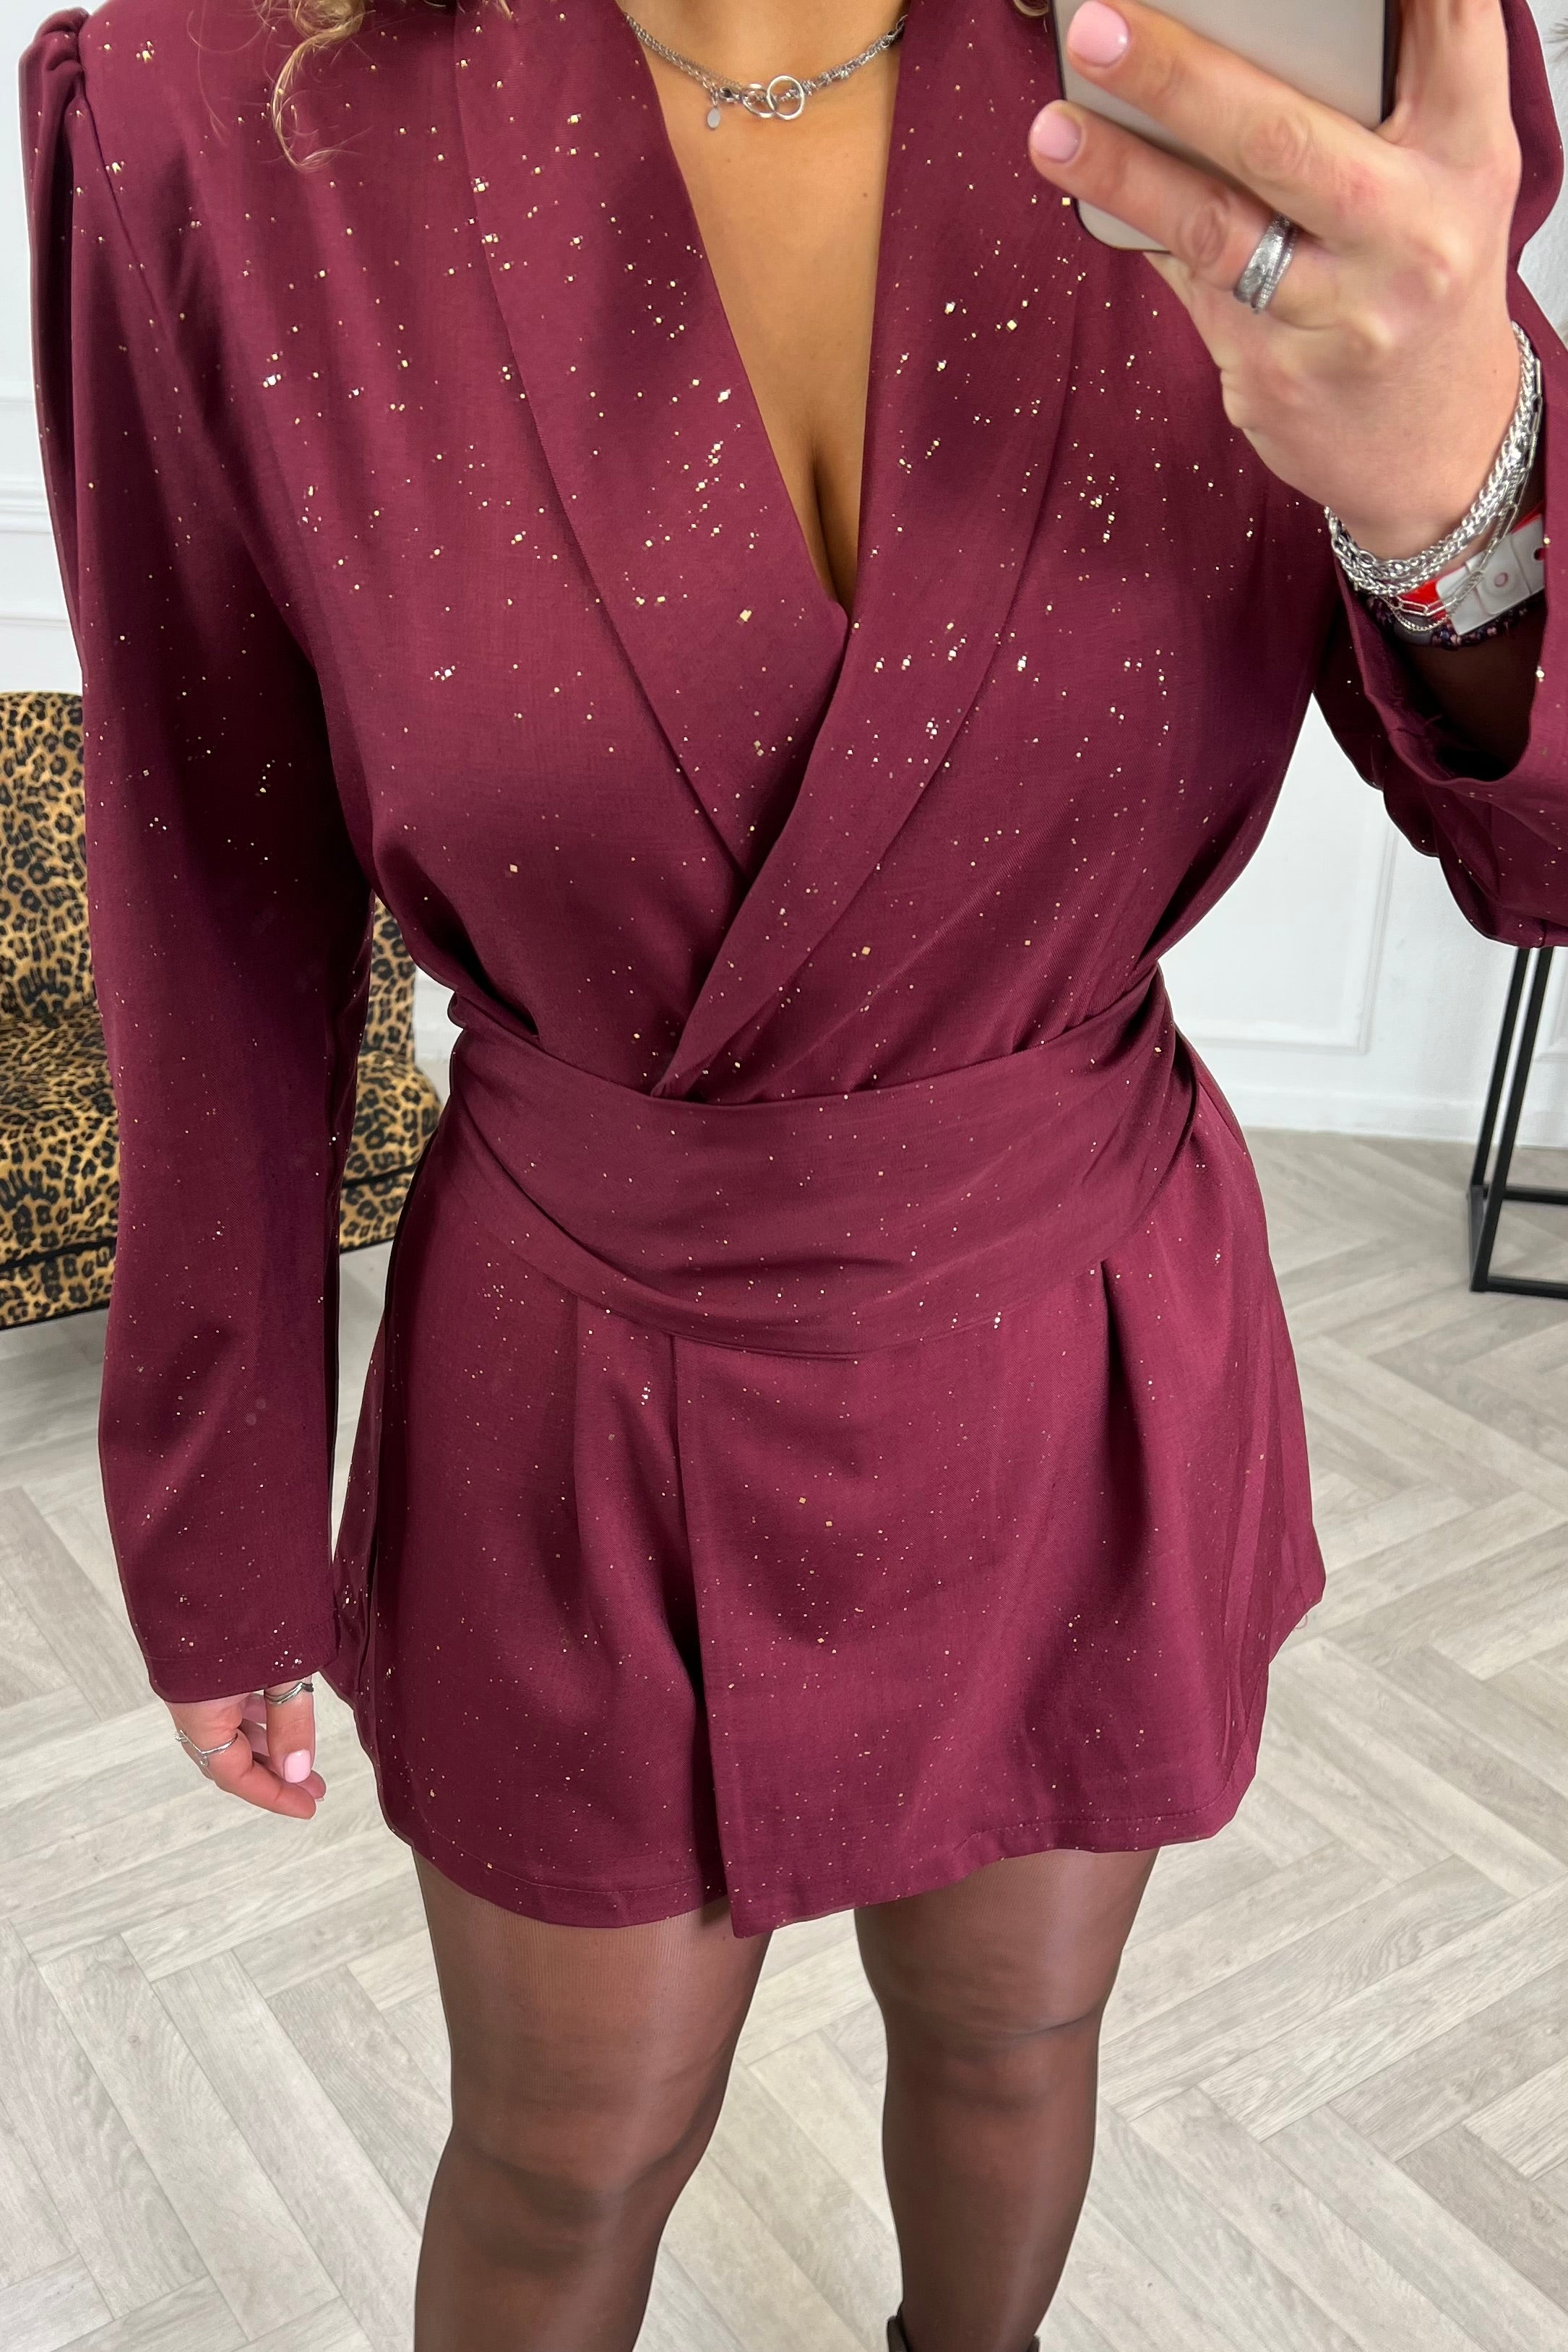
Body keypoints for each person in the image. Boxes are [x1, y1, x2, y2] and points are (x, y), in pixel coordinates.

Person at [18, 0, 1568, 2343]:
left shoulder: (1274, 46)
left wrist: (1455, 491)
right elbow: (214, 890)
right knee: (566, 2153)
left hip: (1073, 1335)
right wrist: (221, 1514)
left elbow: (1538, 868)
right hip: (572, 1371)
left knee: (1018, 2038)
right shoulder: (214, 106)